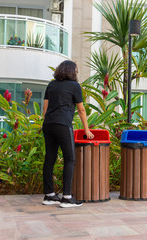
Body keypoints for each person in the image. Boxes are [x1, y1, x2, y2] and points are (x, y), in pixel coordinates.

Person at [41, 60, 93, 208]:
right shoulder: (75, 86)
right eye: (76, 70)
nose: (77, 72)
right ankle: (67, 197)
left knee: (49, 159)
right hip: (63, 125)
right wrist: (86, 130)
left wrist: (47, 122)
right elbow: (81, 110)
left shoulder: (51, 84)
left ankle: (49, 195)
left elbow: (45, 108)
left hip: (48, 125)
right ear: (72, 71)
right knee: (69, 159)